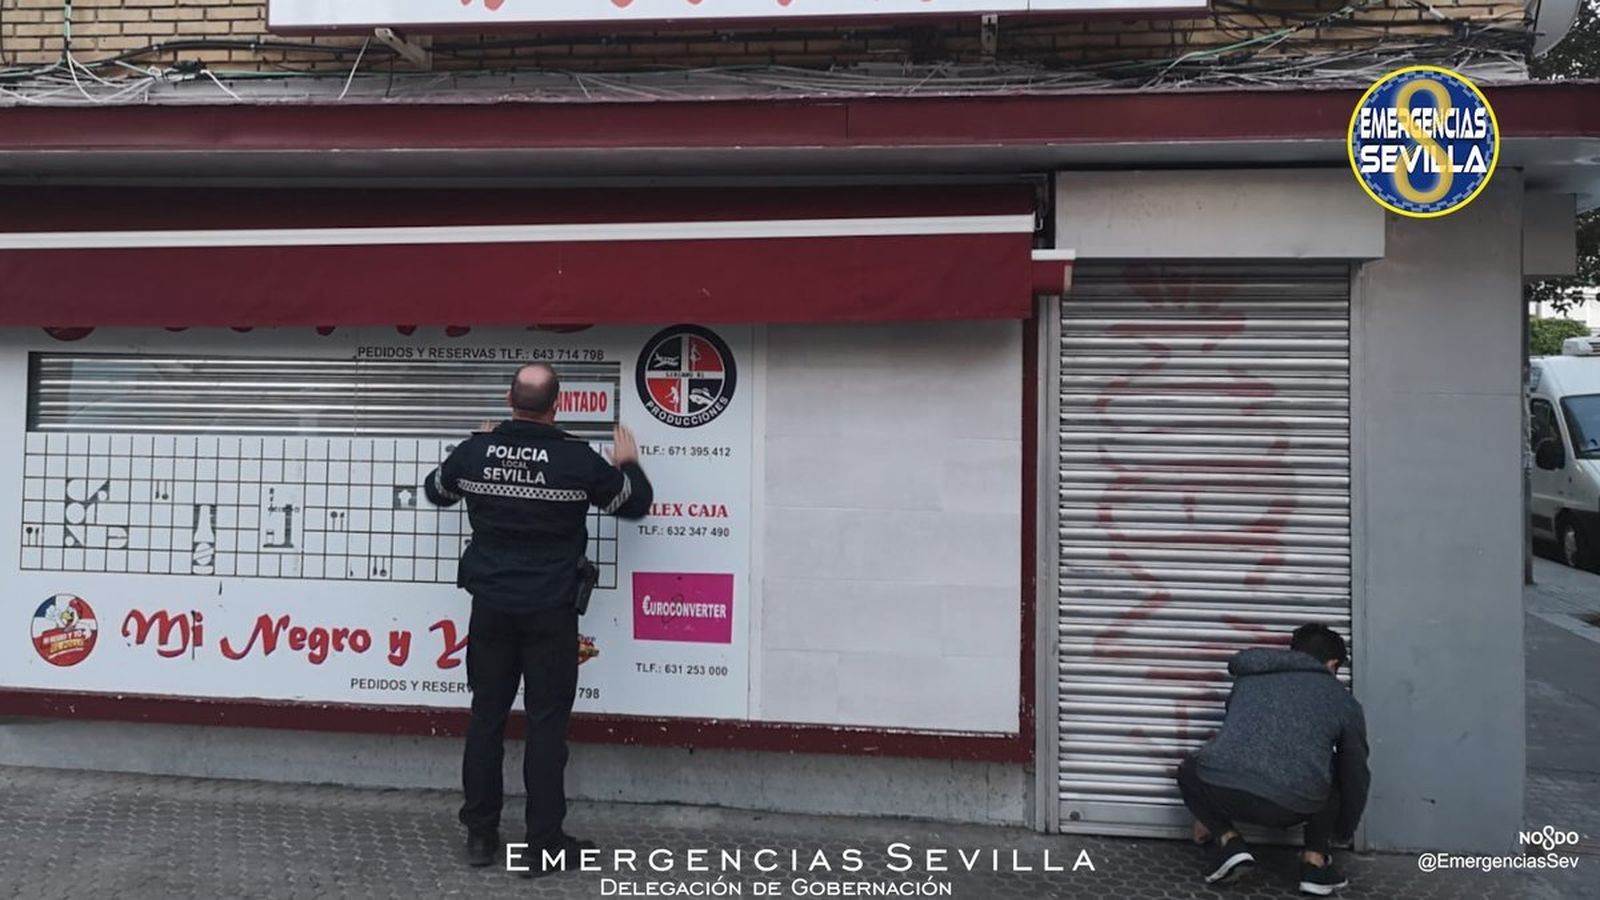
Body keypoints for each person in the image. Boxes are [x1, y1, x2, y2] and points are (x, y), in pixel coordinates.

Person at [424, 362, 653, 877]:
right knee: (547, 724)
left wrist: (480, 446)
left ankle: (480, 837)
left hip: (491, 608)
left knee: (486, 717)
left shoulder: (476, 452)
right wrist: (629, 462)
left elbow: (437, 491)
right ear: (557, 406)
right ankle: (543, 845)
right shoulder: (575, 459)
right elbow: (635, 503)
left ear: (510, 401)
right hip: (550, 610)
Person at [1175, 623, 1370, 896]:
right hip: (1291, 806)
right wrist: (1345, 831)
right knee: (1339, 765)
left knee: (1190, 769)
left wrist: (1207, 815)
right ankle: (1314, 863)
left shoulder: (1250, 677)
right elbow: (1355, 773)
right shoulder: (1343, 701)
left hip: (1224, 792)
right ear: (1332, 664)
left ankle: (1229, 841)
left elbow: (1233, 737)